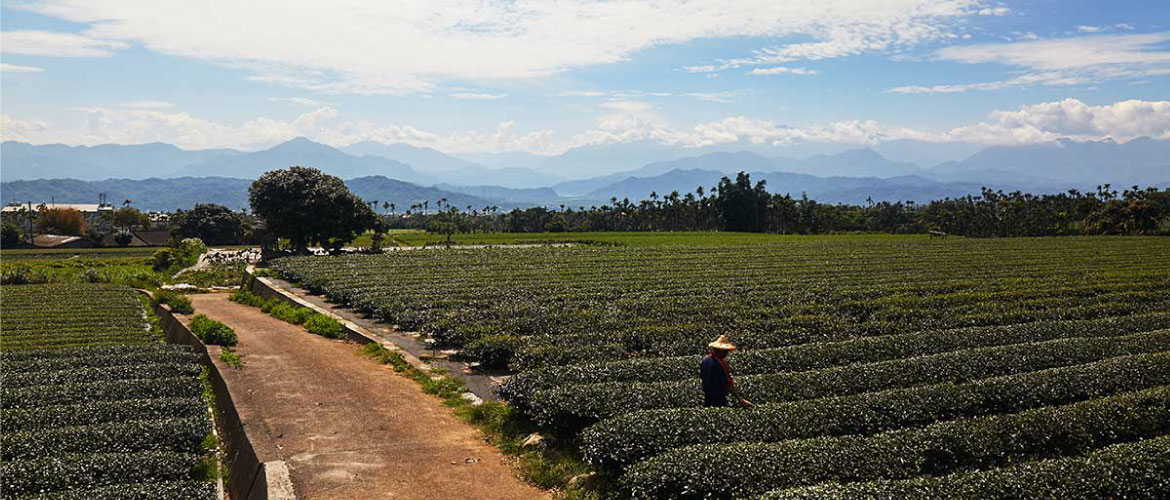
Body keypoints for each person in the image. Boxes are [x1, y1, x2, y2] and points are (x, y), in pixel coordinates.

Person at [699, 335, 753, 407]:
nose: (727, 353)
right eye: (725, 351)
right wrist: (740, 399)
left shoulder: (705, 360)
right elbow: (728, 384)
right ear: (720, 351)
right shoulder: (720, 363)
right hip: (718, 398)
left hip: (707, 396)